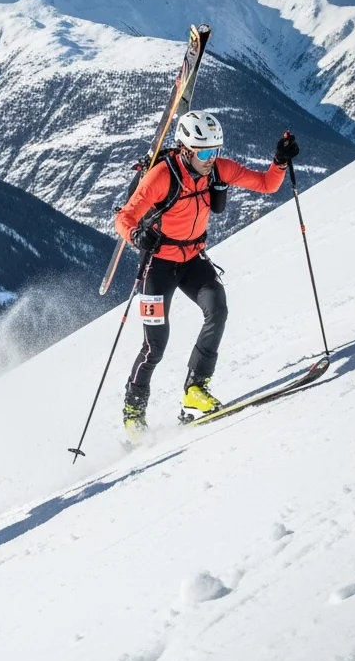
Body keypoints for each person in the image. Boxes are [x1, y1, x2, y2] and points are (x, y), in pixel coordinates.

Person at [116, 113, 298, 438]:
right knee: (154, 346)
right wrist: (136, 236)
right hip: (157, 266)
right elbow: (125, 216)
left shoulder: (218, 169)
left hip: (192, 260)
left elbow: (267, 184)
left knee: (218, 308)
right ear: (185, 149)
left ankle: (194, 392)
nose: (210, 159)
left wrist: (280, 161)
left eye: (214, 151)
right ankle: (133, 411)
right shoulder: (162, 176)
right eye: (203, 153)